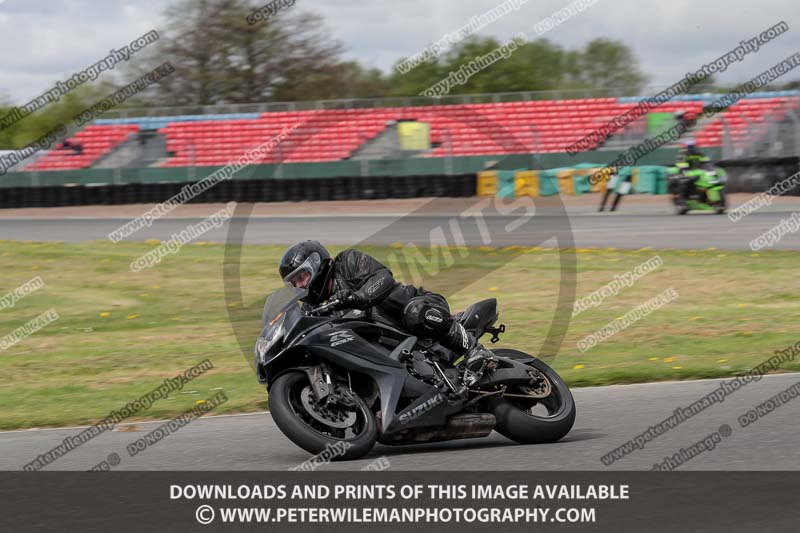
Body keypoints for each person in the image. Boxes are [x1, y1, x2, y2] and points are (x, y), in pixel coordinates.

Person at [278, 240, 497, 384]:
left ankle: (475, 350)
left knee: (413, 310)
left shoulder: (346, 263)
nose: (299, 286)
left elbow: (383, 278)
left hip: (418, 311)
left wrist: (359, 296)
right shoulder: (311, 309)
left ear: (316, 265)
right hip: (385, 348)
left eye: (302, 277)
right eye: (294, 282)